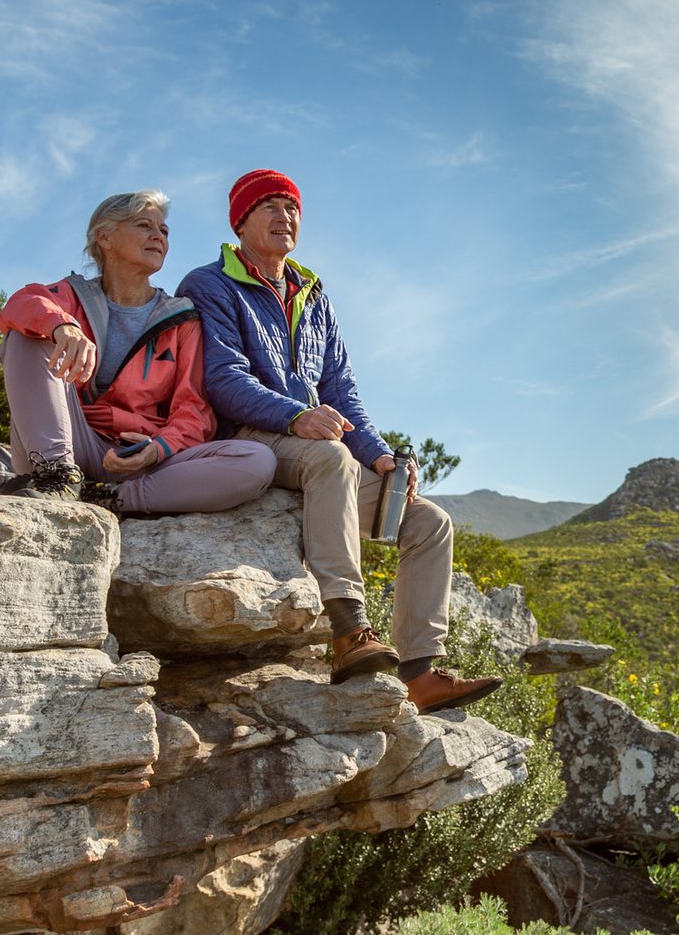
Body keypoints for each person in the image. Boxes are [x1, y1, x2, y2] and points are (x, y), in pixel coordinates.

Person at [177, 170, 500, 710]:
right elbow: (223, 379)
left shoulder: (312, 294)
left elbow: (341, 390)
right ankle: (350, 630)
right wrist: (296, 416)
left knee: (428, 521)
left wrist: (378, 455)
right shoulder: (209, 284)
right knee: (330, 458)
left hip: (316, 450)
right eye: (269, 207)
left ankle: (419, 671)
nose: (285, 217)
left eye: (292, 208)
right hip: (252, 441)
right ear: (240, 220)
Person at [0, 189, 277, 514]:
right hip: (68, 443)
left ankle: (109, 500)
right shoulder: (72, 295)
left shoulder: (181, 318)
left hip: (140, 459)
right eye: (145, 226)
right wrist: (62, 326)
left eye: (164, 231)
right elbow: (21, 303)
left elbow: (194, 411)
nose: (158, 237)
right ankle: (57, 478)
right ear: (105, 237)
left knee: (256, 461)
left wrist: (158, 449)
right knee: (26, 335)